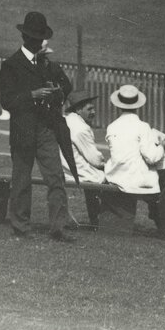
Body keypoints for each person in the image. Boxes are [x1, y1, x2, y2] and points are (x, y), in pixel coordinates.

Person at [0, 11, 78, 242]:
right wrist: (32, 95)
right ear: (25, 38)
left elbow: (67, 86)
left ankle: (58, 228)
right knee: (22, 180)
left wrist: (56, 92)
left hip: (45, 128)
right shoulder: (11, 65)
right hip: (23, 128)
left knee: (55, 178)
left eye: (39, 38)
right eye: (33, 38)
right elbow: (7, 100)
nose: (36, 42)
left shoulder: (48, 65)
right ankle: (20, 226)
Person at [103, 84, 165, 241]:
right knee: (162, 177)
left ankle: (156, 213)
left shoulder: (112, 127)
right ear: (137, 105)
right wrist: (162, 146)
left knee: (158, 178)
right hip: (137, 180)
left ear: (118, 105)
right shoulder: (142, 126)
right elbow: (152, 157)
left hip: (116, 176)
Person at [60, 90, 106, 229]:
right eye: (89, 109)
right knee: (110, 178)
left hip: (64, 169)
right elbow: (95, 160)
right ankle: (103, 221)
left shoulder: (67, 120)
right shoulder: (81, 128)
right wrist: (107, 164)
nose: (93, 112)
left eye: (93, 108)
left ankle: (96, 220)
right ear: (79, 109)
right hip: (77, 171)